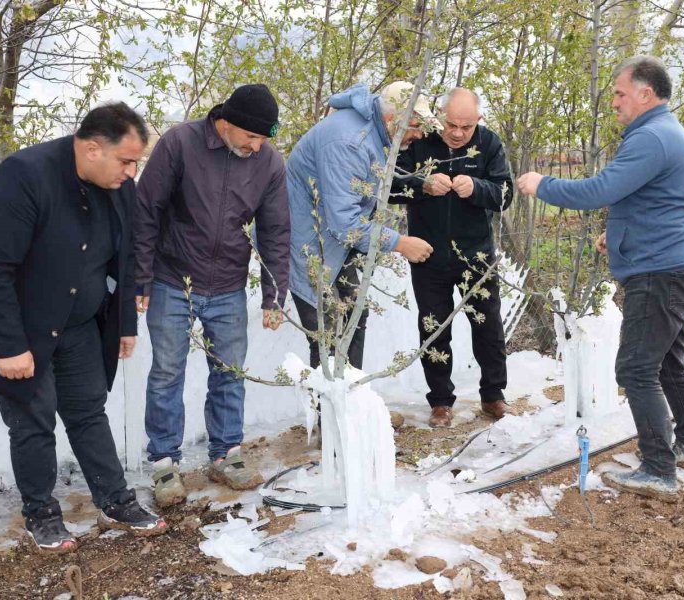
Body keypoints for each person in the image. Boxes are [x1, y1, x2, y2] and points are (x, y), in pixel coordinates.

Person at [0, 103, 167, 553]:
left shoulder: (120, 187)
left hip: (78, 323)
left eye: (135, 162)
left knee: (88, 409)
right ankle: (42, 515)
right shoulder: (24, 175)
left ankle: (115, 500)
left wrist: (125, 322)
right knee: (33, 419)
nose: (131, 172)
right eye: (126, 160)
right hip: (18, 326)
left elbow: (123, 259)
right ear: (90, 149)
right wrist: (8, 346)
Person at [517, 56, 684, 500]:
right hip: (680, 265)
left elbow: (600, 190)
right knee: (667, 363)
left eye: (621, 94)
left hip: (660, 273)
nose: (615, 103)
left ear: (646, 94)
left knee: (636, 368)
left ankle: (659, 469)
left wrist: (542, 183)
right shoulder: (664, 133)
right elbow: (657, 201)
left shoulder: (652, 137)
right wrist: (618, 233)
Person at [134, 84, 290, 507]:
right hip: (172, 279)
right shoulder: (180, 143)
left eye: (263, 140)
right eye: (252, 137)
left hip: (228, 287)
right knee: (167, 371)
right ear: (226, 122)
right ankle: (165, 462)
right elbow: (146, 209)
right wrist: (140, 277)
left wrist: (274, 295)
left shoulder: (269, 163)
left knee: (231, 372)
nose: (257, 147)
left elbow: (275, 230)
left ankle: (226, 454)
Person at [286, 81, 436, 371]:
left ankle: (352, 406)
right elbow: (345, 225)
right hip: (307, 243)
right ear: (393, 118)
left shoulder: (371, 131)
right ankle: (329, 415)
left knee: (354, 313)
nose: (418, 135)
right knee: (328, 330)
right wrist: (400, 243)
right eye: (416, 126)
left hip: (330, 244)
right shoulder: (349, 141)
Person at [392, 88, 513, 428]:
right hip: (427, 254)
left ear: (479, 121)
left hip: (476, 254)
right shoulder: (419, 142)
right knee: (433, 328)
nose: (458, 133)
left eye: (466, 126)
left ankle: (493, 396)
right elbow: (388, 187)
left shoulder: (489, 144)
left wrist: (477, 188)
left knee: (488, 325)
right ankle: (441, 402)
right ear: (439, 118)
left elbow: (505, 195)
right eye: (451, 125)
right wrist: (421, 185)